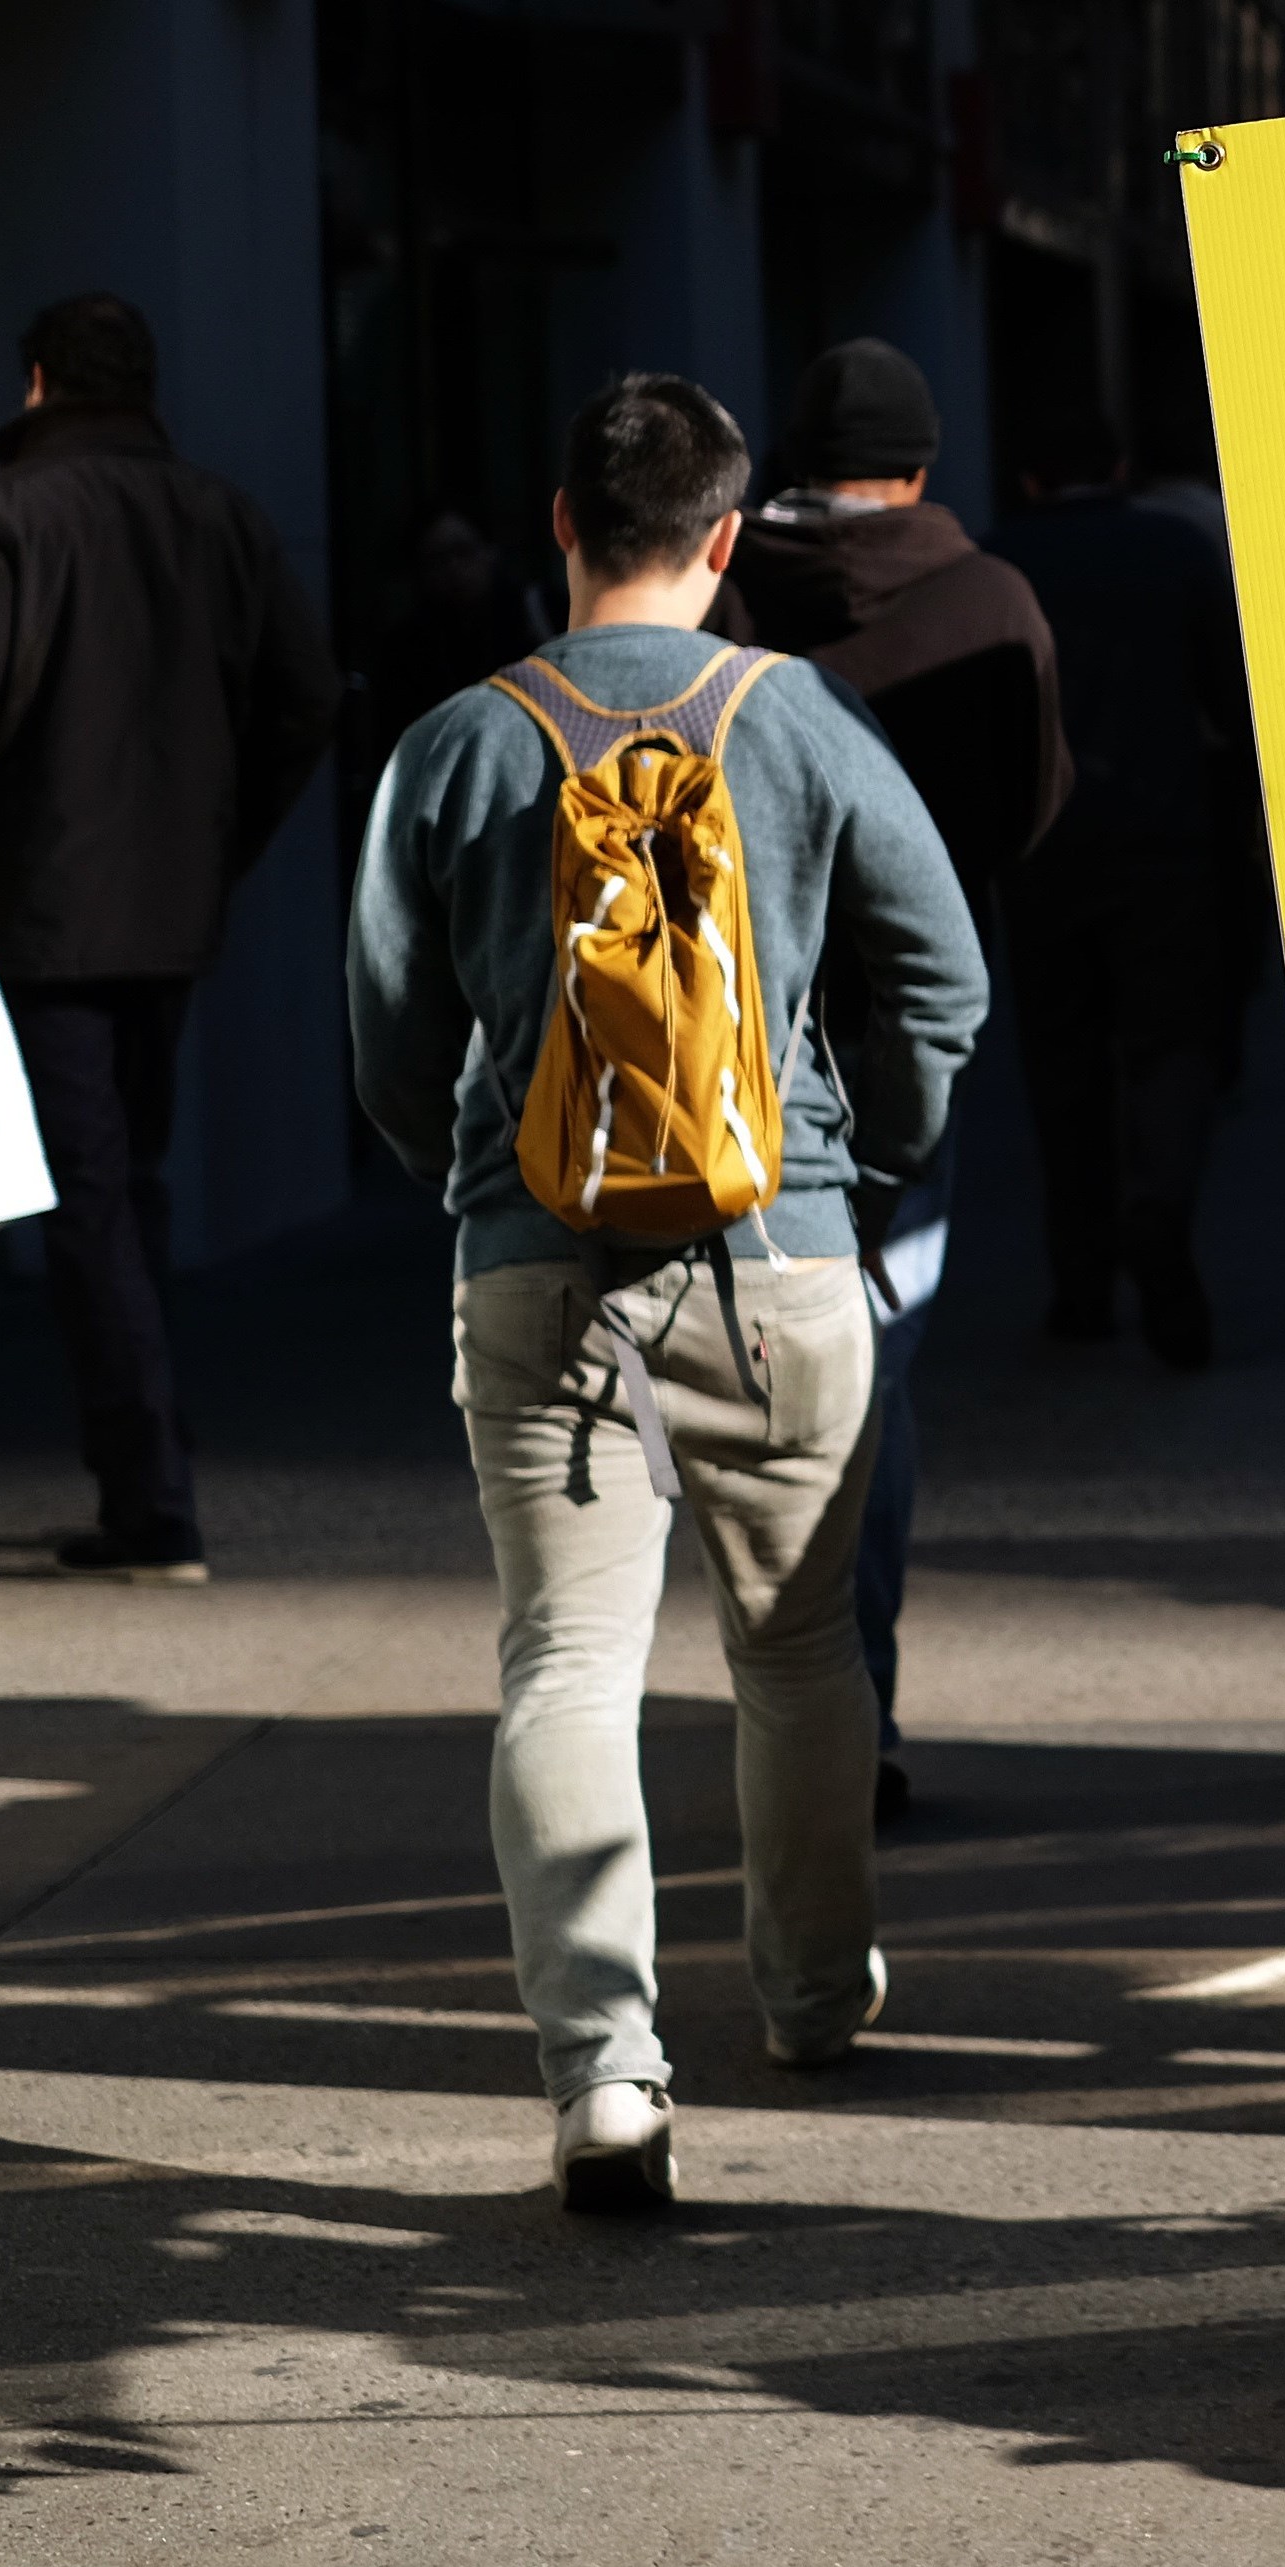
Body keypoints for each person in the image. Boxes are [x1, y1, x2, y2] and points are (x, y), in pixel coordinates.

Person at [348, 371, 988, 2211]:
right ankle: (802, 1997)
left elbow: (391, 1043)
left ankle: (607, 2078)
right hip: (778, 1257)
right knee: (796, 1651)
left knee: (563, 1663)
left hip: (537, 1268)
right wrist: (853, 1166)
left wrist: (475, 1192)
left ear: (560, 525)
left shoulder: (455, 746)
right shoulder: (801, 724)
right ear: (725, 541)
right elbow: (938, 980)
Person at [710, 338, 1067, 1812]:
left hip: (742, 1030)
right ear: (920, 467)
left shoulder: (720, 602)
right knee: (875, 1366)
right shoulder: (988, 600)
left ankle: (791, 1707)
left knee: (746, 1371)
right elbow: (1032, 806)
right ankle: (856, 1707)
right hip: (911, 1020)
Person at [0, 293, 338, 1584]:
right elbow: (305, 699)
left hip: (47, 912)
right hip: (172, 912)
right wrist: (220, 838)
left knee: (89, 1206)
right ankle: (152, 1459)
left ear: (40, 386)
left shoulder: (6, 515)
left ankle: (150, 1496)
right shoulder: (219, 517)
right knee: (133, 1187)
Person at [991, 399, 1253, 1361]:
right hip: (1166, 840)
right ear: (1121, 461)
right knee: (1170, 1045)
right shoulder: (1175, 550)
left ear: (1026, 478)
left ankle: (1081, 1282)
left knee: (1062, 1067)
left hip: (1042, 850)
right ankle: (1161, 1205)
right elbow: (1231, 700)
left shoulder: (996, 566)